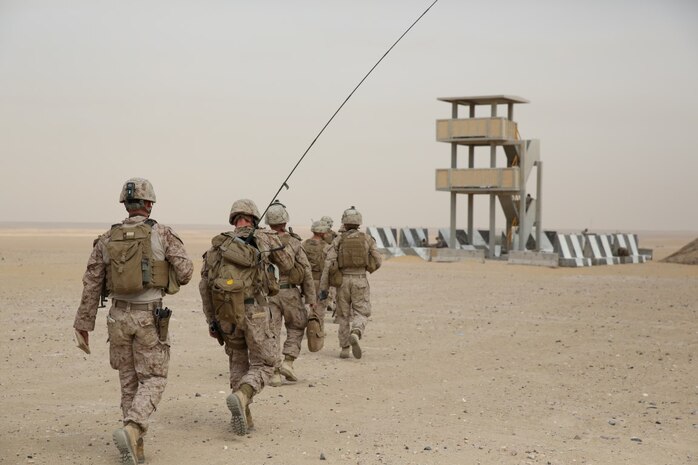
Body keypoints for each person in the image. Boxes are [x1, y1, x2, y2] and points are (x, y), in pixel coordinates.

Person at [73, 177, 193, 465]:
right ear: (149, 204)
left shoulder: (106, 238)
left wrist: (83, 324)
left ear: (125, 204)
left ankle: (135, 447)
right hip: (148, 317)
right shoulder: (162, 234)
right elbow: (186, 272)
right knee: (154, 378)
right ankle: (134, 426)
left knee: (128, 381)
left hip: (117, 317)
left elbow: (91, 283)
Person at [199, 199, 294, 436]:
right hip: (256, 311)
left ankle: (244, 413)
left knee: (238, 360)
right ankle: (243, 395)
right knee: (267, 363)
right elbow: (288, 264)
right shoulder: (264, 239)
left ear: (233, 219)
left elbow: (205, 286)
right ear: (254, 217)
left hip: (226, 314)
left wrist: (212, 320)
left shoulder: (217, 247)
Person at [264, 201, 316, 386]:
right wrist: (311, 299)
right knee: (297, 326)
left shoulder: (261, 241)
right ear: (285, 221)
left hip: (268, 294)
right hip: (290, 292)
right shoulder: (294, 242)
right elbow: (306, 270)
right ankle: (288, 362)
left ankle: (275, 372)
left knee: (272, 332)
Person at [319, 206, 382, 359]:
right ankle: (357, 331)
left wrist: (324, 288)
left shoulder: (338, 239)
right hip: (360, 278)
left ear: (344, 224)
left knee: (343, 315)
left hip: (342, 281)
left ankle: (345, 348)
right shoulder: (367, 238)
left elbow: (328, 264)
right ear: (359, 223)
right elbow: (378, 260)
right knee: (362, 311)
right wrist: (369, 268)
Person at [301, 220, 332, 352]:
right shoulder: (327, 247)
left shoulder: (304, 245)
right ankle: (317, 335)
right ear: (321, 232)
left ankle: (306, 329)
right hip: (321, 281)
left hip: (306, 281)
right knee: (320, 310)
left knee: (306, 306)